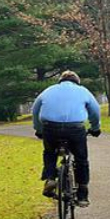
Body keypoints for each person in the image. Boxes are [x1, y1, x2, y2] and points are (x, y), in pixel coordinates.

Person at [32, 70, 101, 207]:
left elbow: (35, 110)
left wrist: (39, 130)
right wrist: (95, 128)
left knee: (49, 153)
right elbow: (95, 111)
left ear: (60, 81)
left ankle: (50, 178)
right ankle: (82, 194)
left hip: (50, 128)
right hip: (75, 129)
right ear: (77, 81)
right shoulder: (83, 91)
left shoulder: (48, 90)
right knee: (81, 160)